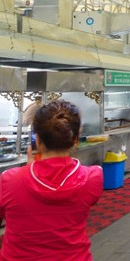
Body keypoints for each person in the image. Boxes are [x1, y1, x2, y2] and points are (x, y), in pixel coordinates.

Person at [0, 100, 102, 260]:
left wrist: (28, 170)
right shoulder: (93, 177)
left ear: (37, 140)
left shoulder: (9, 180)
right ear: (76, 139)